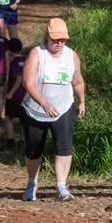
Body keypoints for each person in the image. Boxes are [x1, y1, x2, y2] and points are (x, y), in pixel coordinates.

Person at [21, 17, 86, 202]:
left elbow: (78, 81)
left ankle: (61, 187)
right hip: (35, 110)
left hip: (63, 108)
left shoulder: (71, 55)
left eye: (63, 40)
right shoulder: (36, 54)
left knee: (64, 148)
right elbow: (28, 83)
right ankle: (32, 182)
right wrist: (44, 103)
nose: (59, 43)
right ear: (47, 37)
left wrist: (82, 101)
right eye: (55, 39)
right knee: (33, 150)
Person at [1, 37, 27, 151]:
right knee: (23, 119)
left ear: (10, 50)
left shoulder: (14, 63)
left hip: (15, 97)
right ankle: (23, 143)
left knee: (9, 118)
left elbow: (19, 78)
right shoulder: (26, 60)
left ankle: (10, 144)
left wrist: (11, 93)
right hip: (26, 96)